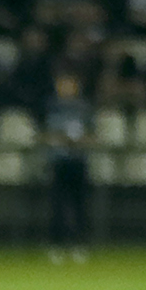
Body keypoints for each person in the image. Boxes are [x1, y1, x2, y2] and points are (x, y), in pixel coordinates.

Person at [45, 75, 91, 263]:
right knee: (57, 205)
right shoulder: (50, 107)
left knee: (80, 205)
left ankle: (79, 245)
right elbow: (42, 133)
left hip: (78, 162)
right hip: (59, 161)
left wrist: (79, 141)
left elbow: (94, 134)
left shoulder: (84, 109)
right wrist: (58, 139)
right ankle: (56, 245)